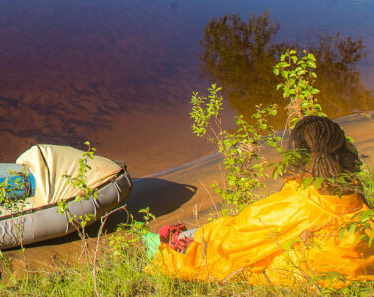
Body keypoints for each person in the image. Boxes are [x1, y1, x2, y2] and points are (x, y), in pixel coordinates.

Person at [147, 115, 374, 286]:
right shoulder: (351, 195)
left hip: (300, 271)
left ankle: (157, 245)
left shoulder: (299, 203)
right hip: (351, 267)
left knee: (195, 246)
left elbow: (236, 238)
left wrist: (201, 235)